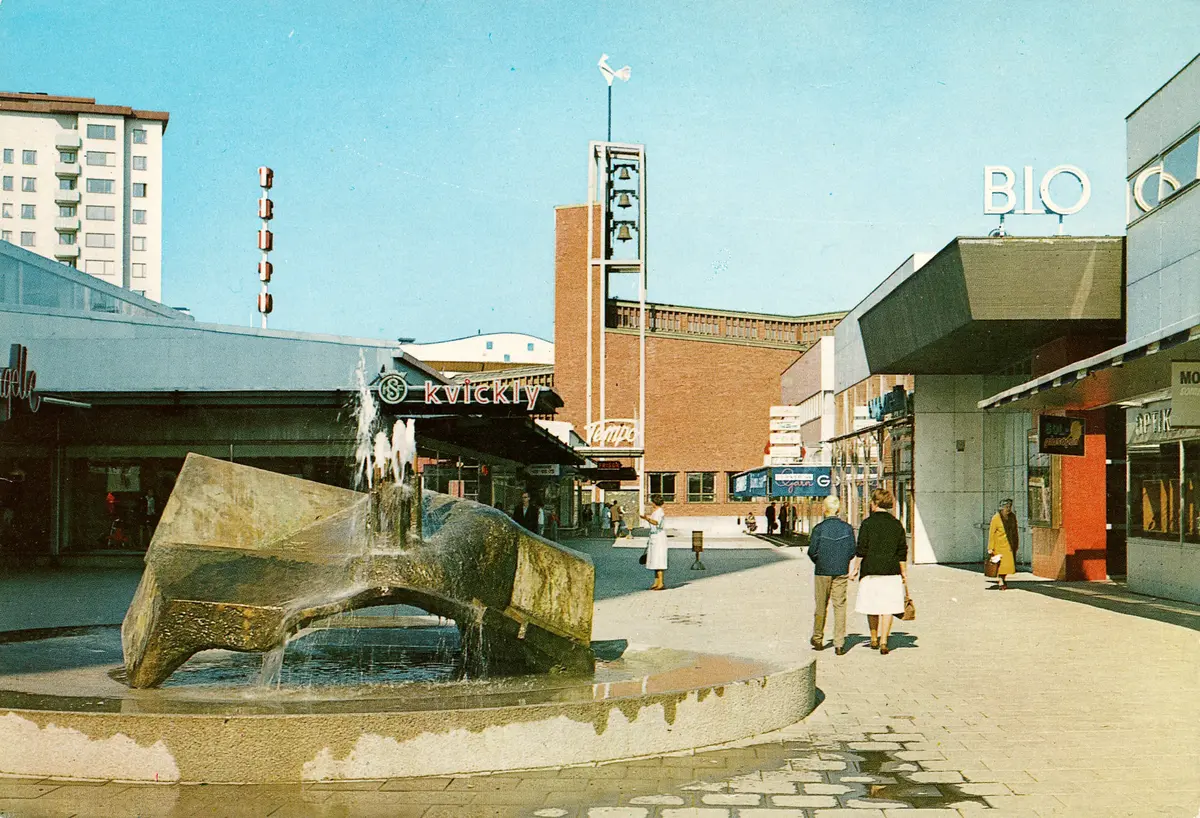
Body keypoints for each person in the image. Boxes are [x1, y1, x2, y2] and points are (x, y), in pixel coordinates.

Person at [850, 488, 909, 655]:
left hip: (870, 571)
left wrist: (855, 568)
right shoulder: (896, 524)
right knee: (887, 607)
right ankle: (884, 641)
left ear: (875, 503)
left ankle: (874, 638)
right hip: (891, 571)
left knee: (872, 606)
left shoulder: (867, 523)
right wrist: (903, 572)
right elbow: (902, 551)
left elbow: (861, 549)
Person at [808, 495, 857, 655]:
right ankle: (839, 643)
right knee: (840, 605)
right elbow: (852, 551)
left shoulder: (819, 529)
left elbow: (812, 551)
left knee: (821, 605)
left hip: (822, 570)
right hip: (841, 570)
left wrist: (820, 561)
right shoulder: (847, 528)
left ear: (824, 509)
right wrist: (842, 561)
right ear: (838, 510)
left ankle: (818, 638)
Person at [987, 498, 1019, 590]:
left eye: (1009, 507)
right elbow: (992, 533)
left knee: (1007, 566)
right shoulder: (996, 518)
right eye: (1006, 507)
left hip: (1009, 544)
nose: (1008, 509)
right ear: (1001, 508)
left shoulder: (1012, 517)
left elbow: (1015, 531)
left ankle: (1003, 579)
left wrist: (1016, 543)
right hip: (999, 545)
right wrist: (990, 547)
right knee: (1001, 565)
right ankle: (1001, 581)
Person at [640, 494, 668, 590]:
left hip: (659, 537)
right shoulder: (655, 511)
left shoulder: (660, 512)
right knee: (654, 559)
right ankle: (656, 582)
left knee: (659, 559)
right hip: (654, 536)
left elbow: (656, 523)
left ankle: (661, 582)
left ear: (654, 502)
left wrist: (646, 518)